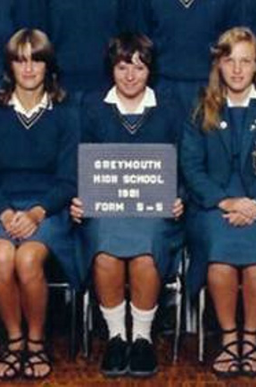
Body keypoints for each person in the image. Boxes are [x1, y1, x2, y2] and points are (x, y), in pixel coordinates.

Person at [180, 27, 256, 378]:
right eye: (229, 60)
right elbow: (192, 167)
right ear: (218, 64)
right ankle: (229, 339)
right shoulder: (202, 106)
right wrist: (224, 202)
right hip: (214, 207)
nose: (237, 69)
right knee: (220, 259)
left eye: (245, 61)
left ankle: (251, 340)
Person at [69, 34, 186, 378]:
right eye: (123, 67)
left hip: (155, 212)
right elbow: (76, 162)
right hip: (104, 209)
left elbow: (187, 161)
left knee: (146, 246)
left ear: (150, 70)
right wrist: (76, 200)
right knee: (105, 247)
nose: (131, 76)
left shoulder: (169, 106)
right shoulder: (91, 105)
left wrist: (180, 198)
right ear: (112, 69)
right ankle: (117, 336)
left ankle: (143, 338)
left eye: (139, 67)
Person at [0, 29, 80, 381]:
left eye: (37, 59)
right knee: (2, 257)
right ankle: (14, 342)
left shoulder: (65, 112)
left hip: (48, 208)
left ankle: (36, 343)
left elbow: (69, 179)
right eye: (21, 60)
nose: (29, 68)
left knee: (28, 258)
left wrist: (35, 213)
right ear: (10, 66)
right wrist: (5, 213)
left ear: (48, 65)